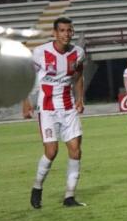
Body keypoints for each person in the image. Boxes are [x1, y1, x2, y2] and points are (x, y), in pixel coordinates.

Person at [21, 17, 87, 208]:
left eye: (69, 30)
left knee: (75, 150)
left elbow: (79, 75)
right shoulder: (41, 52)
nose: (66, 34)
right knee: (52, 151)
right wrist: (26, 102)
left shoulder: (78, 53)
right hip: (48, 109)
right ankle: (37, 187)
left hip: (68, 108)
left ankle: (69, 196)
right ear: (54, 33)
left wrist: (80, 99)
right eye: (63, 30)